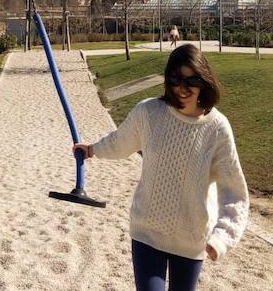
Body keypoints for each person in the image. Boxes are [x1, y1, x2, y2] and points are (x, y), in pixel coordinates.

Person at [74, 44, 249, 291]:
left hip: (190, 240)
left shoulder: (217, 129)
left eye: (192, 80)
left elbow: (235, 194)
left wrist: (222, 237)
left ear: (204, 81)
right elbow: (121, 142)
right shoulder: (149, 112)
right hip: (147, 233)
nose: (183, 88)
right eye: (176, 79)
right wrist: (92, 150)